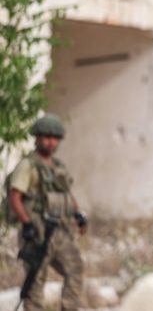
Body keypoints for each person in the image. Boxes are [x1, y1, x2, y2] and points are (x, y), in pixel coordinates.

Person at [8, 114, 87, 311]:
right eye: (46, 137)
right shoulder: (28, 165)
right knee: (36, 279)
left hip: (60, 230)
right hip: (37, 228)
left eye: (55, 138)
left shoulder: (58, 166)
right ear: (37, 138)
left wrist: (78, 214)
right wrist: (27, 224)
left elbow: (66, 194)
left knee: (75, 268)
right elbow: (15, 196)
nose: (51, 142)